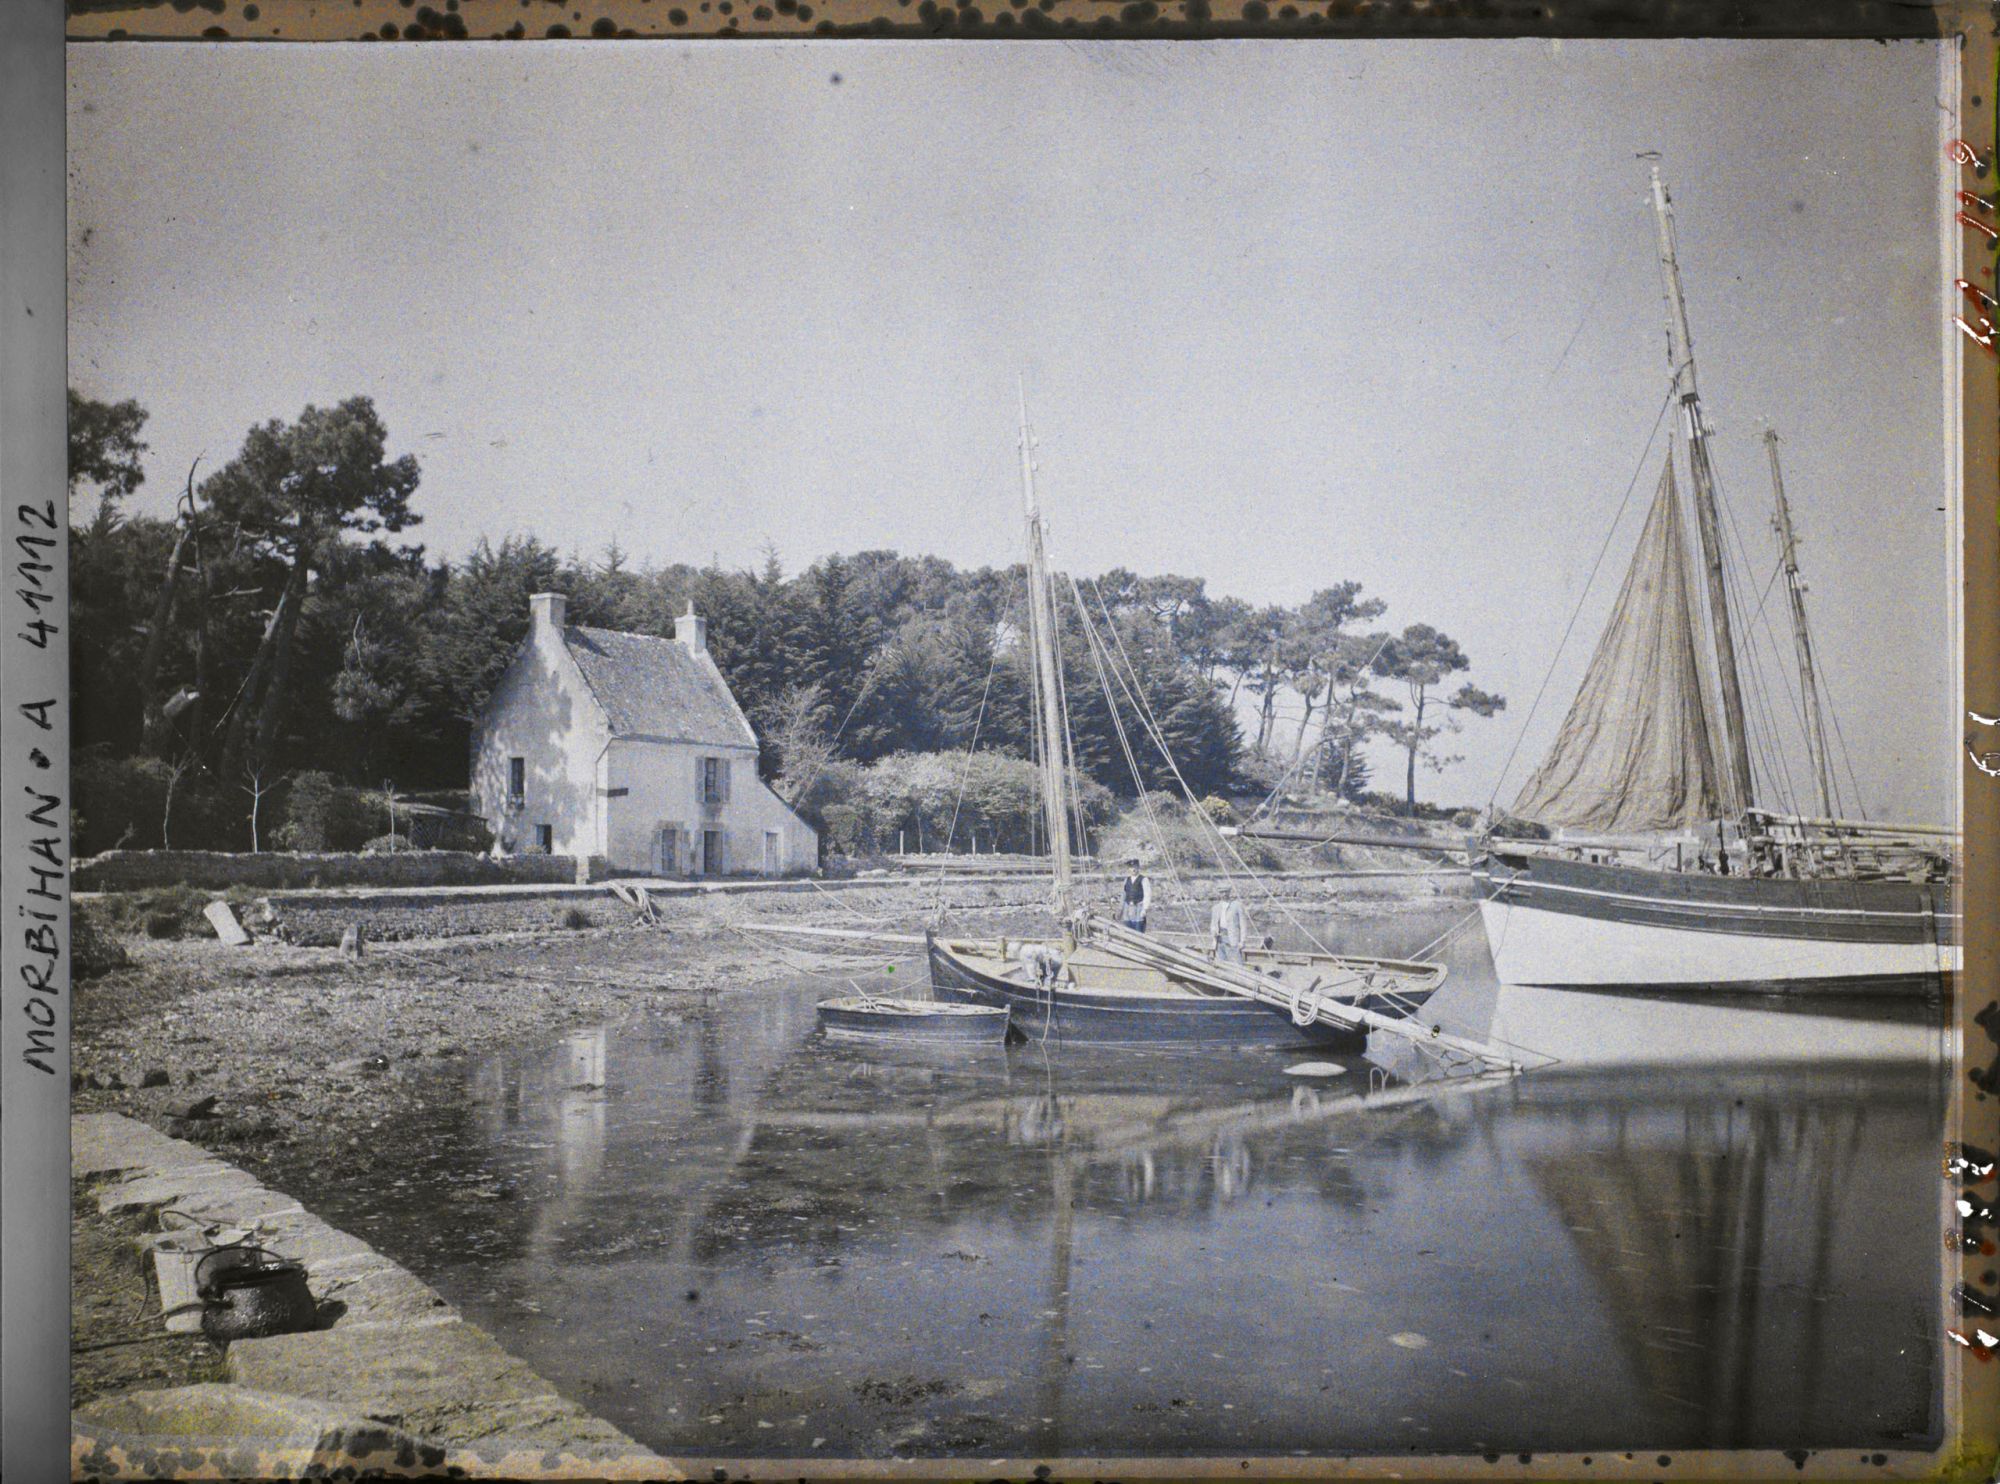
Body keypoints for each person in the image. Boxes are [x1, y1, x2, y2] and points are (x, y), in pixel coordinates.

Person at [1209, 886, 1247, 965]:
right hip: (1219, 939)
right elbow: (1213, 924)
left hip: (1232, 938)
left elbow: (1243, 925)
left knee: (1237, 963)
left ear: (1229, 893)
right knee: (1222, 962)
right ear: (1219, 894)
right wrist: (1213, 933)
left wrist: (1242, 941)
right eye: (1222, 892)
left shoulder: (1237, 905)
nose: (1224, 894)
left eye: (1226, 892)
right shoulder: (1215, 908)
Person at [1119, 859, 1152, 933]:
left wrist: (1145, 909)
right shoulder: (1126, 880)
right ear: (1128, 869)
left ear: (1138, 867)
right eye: (1131, 867)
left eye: (1135, 867)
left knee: (1138, 931)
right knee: (1128, 931)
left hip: (1138, 909)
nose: (1133, 869)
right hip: (1127, 909)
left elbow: (1147, 895)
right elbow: (1123, 895)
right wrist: (1120, 910)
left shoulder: (1143, 880)